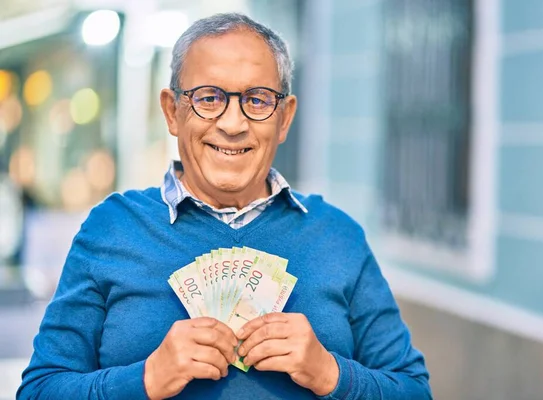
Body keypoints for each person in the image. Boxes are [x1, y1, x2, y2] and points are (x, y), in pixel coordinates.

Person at [17, 12, 431, 400]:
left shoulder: (338, 236)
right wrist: (144, 378)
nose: (233, 124)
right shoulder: (111, 229)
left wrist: (332, 374)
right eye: (209, 98)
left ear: (284, 118)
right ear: (172, 111)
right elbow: (39, 389)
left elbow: (414, 390)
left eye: (257, 99)